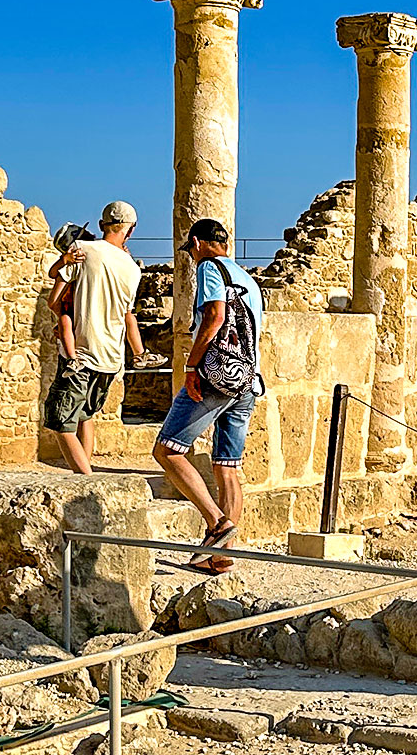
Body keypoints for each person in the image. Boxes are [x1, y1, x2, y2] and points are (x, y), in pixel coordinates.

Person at [153, 218, 265, 575]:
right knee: (227, 467)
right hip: (247, 381)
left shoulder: (208, 268)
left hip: (216, 377)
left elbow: (215, 316)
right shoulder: (248, 279)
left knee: (168, 450)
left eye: (191, 250)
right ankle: (222, 555)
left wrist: (191, 364)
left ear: (199, 243)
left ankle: (217, 523)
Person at [42, 202, 144, 474]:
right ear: (131, 231)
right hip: (110, 358)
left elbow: (54, 299)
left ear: (101, 225)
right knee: (85, 417)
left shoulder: (82, 251)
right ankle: (86, 478)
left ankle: (85, 479)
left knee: (59, 421)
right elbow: (126, 313)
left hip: (83, 353)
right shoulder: (133, 269)